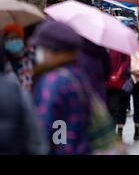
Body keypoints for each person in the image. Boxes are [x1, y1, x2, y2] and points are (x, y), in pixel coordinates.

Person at [30, 20, 92, 155]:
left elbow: (42, 132)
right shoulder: (78, 74)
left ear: (53, 49)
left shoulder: (53, 81)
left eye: (41, 47)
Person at [0, 34, 49, 155]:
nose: (13, 42)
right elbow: (37, 142)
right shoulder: (14, 89)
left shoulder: (33, 57)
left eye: (15, 38)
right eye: (9, 39)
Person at [116, 22, 139, 141]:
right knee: (122, 106)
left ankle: (137, 132)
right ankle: (120, 132)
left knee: (138, 106)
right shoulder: (121, 46)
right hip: (126, 80)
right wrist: (130, 71)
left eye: (135, 31)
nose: (133, 34)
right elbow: (119, 64)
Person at [3, 23, 34, 91]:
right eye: (10, 38)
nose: (14, 41)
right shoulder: (4, 63)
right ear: (5, 42)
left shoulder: (32, 56)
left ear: (22, 39)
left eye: (16, 37)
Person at [78, 38, 110, 102]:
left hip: (81, 93)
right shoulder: (102, 50)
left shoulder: (77, 51)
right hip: (98, 92)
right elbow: (107, 71)